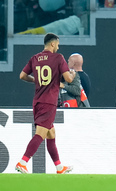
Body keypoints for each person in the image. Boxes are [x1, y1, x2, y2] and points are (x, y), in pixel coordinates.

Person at [15, 33, 76, 174]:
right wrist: (72, 74)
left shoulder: (35, 58)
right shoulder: (58, 58)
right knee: (40, 134)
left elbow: (22, 76)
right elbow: (68, 79)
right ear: (53, 44)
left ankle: (59, 167)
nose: (58, 47)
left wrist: (35, 80)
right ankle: (23, 162)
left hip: (37, 101)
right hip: (49, 102)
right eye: (58, 44)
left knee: (51, 134)